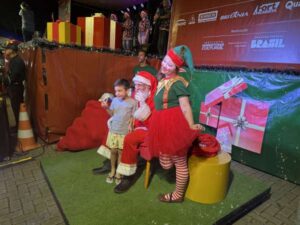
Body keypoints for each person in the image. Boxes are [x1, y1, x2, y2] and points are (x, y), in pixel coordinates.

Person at [147, 45, 205, 203]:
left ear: (176, 67)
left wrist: (191, 125)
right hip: (161, 122)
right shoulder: (164, 78)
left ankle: (178, 195)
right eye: (165, 61)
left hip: (173, 123)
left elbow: (185, 106)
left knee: (179, 162)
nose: (165, 65)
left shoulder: (178, 83)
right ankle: (172, 165)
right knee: (166, 162)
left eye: (170, 64)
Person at [114, 71, 157, 193]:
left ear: (148, 86)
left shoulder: (155, 99)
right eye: (136, 84)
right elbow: (131, 111)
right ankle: (110, 164)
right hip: (136, 126)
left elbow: (152, 123)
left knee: (129, 139)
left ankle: (128, 176)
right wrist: (129, 122)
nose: (136, 87)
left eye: (140, 85)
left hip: (150, 130)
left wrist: (143, 103)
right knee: (114, 128)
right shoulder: (136, 95)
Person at [97, 79, 136, 185]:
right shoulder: (114, 101)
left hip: (124, 132)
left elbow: (134, 116)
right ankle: (112, 170)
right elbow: (112, 114)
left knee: (120, 152)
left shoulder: (133, 102)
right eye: (116, 91)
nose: (117, 93)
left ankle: (119, 172)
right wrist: (106, 108)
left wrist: (131, 124)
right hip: (114, 130)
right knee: (113, 151)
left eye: (120, 91)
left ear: (127, 90)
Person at [2, 43, 25, 126]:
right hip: (13, 87)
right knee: (15, 108)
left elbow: (13, 76)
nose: (5, 51)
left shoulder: (17, 61)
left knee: (17, 108)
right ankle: (19, 125)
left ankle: (21, 126)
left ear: (12, 50)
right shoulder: (13, 60)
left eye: (7, 49)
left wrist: (6, 81)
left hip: (16, 88)